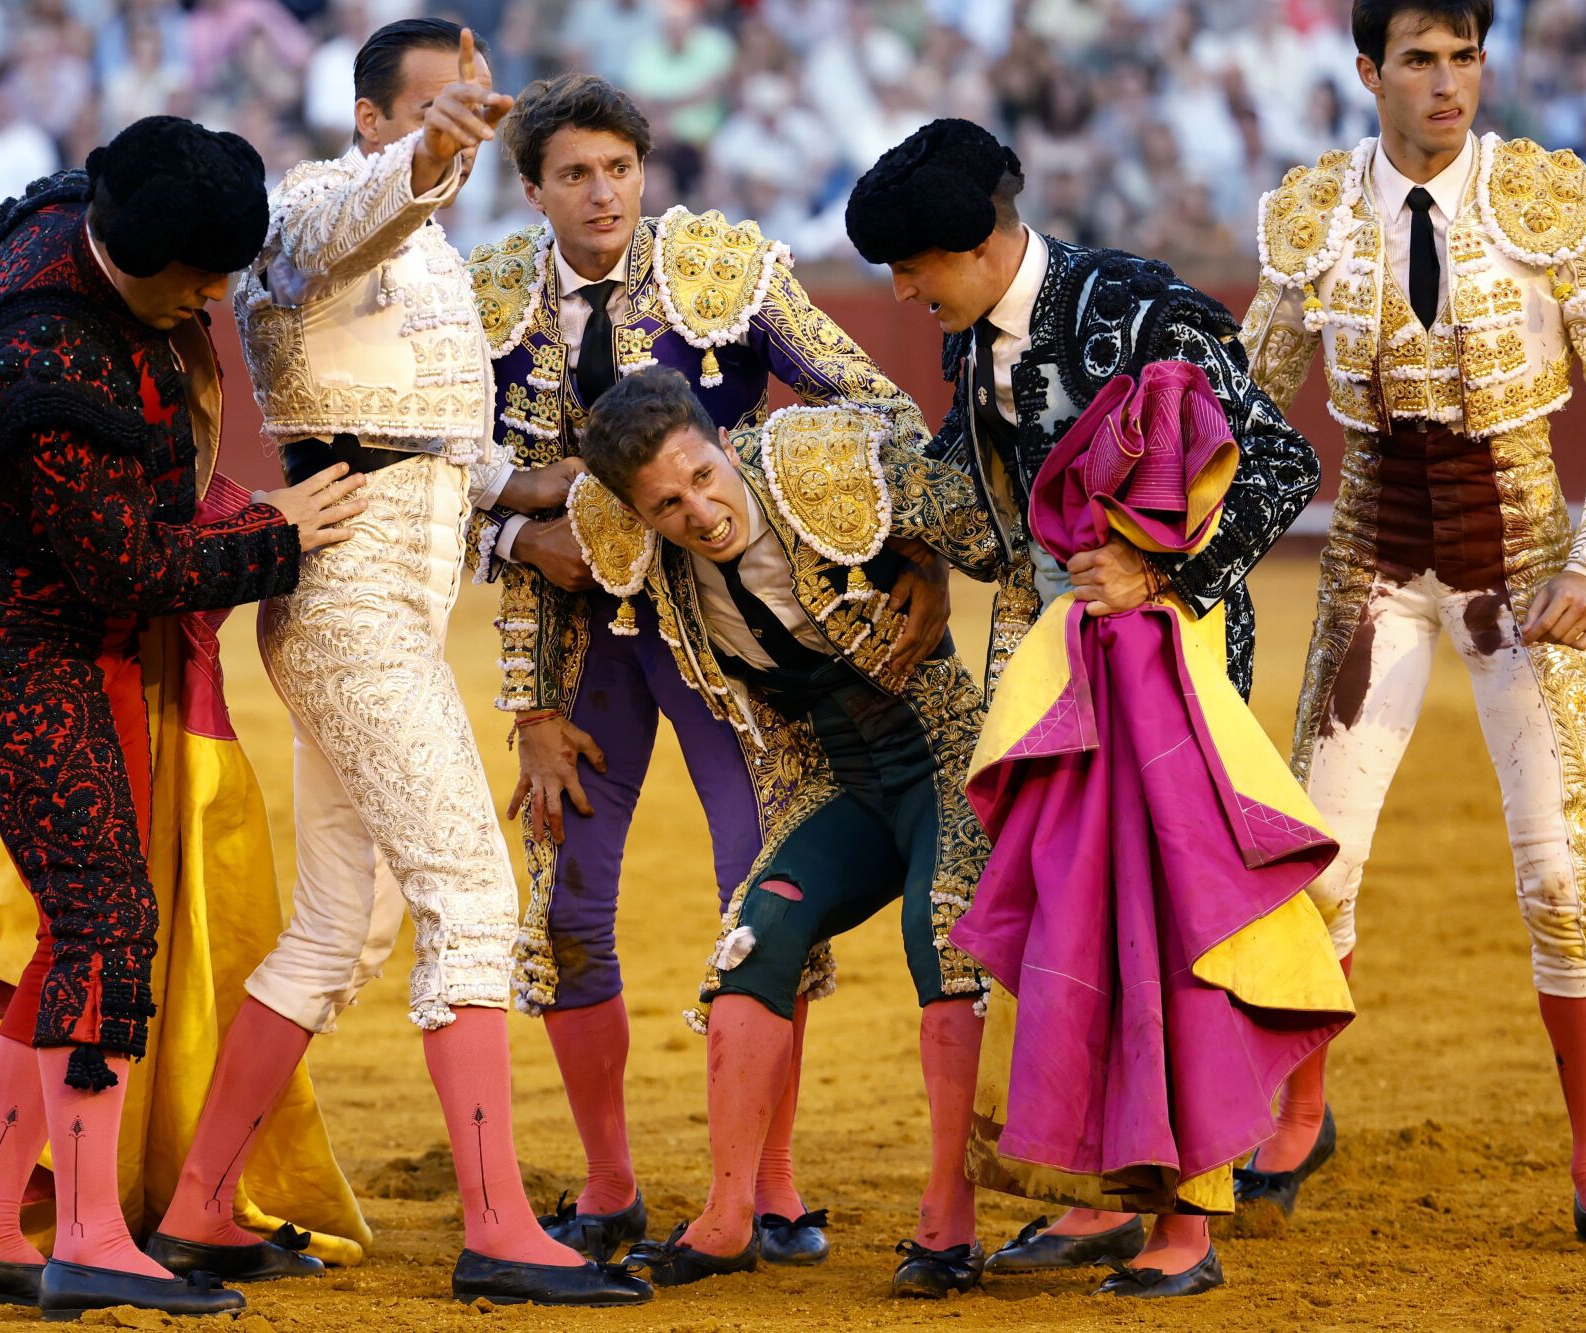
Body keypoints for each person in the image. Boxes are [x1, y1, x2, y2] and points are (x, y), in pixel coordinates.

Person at [143, 22, 650, 1307]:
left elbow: (426, 445)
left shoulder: (428, 260)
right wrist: (427, 153)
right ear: (370, 117)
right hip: (352, 601)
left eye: (471, 111)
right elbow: (348, 227)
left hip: (385, 602)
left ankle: (202, 1206)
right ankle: (495, 1227)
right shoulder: (312, 206)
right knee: (469, 893)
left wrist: (559, 478)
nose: (463, 133)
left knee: (337, 923)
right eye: (431, 112)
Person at [465, 73, 939, 1267]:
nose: (601, 192)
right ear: (532, 190)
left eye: (618, 167)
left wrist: (906, 551)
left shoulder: (726, 269)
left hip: (721, 642)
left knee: (761, 884)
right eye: (573, 173)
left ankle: (770, 1186)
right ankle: (609, 1183)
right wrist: (523, 640)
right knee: (568, 903)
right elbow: (437, 484)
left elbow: (874, 406)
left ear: (644, 168)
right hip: (578, 651)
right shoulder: (481, 304)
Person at [843, 117, 1322, 1284]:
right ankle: (1105, 1196)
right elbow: (972, 469)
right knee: (1074, 919)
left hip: (1173, 658)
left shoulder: (1140, 310)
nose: (904, 293)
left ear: (973, 247)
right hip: (1054, 663)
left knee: (1167, 929)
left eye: (912, 270)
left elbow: (1275, 462)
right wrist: (905, 549)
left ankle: (1188, 1221)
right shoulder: (978, 337)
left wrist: (1162, 573)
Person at [0, 114, 367, 1319]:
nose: (213, 298)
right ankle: (92, 1237)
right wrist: (275, 534)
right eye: (200, 283)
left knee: (79, 924)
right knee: (109, 922)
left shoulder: (84, 216)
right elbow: (131, 569)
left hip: (50, 635)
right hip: (19, 649)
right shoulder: (45, 368)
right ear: (133, 256)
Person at [1239, 0, 1586, 1256]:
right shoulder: (1312, 212)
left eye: (1464, 58)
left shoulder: (1551, 199)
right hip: (1371, 560)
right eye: (1419, 61)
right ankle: (1295, 1117)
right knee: (1313, 866)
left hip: (1525, 562)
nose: (1447, 85)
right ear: (1368, 70)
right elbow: (1247, 403)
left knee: (1554, 870)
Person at [566, 368, 999, 1296]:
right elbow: (539, 561)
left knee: (943, 935)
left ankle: (949, 1223)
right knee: (751, 942)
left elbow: (984, 510)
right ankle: (727, 1218)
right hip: (830, 786)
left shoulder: (816, 461)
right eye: (667, 504)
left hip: (944, 761)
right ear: (637, 513)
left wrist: (928, 563)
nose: (700, 511)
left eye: (704, 476)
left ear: (722, 442)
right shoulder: (633, 540)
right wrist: (528, 715)